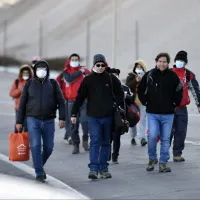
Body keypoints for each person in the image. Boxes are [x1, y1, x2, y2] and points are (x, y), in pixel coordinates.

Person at [71, 54, 124, 179]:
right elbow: (79, 97)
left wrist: (115, 104)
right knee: (95, 141)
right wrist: (74, 113)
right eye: (98, 65)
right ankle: (93, 169)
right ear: (94, 65)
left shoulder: (111, 79)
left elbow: (120, 94)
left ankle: (104, 169)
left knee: (106, 143)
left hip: (108, 117)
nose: (100, 67)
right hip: (93, 117)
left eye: (103, 65)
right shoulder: (88, 80)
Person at [16, 60, 65, 182]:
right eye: (39, 68)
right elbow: (22, 104)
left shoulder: (53, 84)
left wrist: (62, 118)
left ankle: (38, 164)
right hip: (33, 119)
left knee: (49, 147)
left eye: (44, 68)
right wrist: (19, 121)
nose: (41, 70)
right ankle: (39, 172)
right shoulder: (29, 84)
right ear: (35, 71)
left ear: (47, 71)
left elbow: (61, 102)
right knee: (35, 145)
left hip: (49, 120)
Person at [138, 53, 183, 173]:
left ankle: (163, 162)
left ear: (168, 63)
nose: (162, 64)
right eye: (160, 61)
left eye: (164, 62)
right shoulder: (150, 75)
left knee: (165, 138)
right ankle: (152, 158)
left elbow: (179, 89)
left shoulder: (173, 76)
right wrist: (145, 101)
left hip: (168, 114)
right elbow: (140, 89)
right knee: (152, 136)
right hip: (152, 113)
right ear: (156, 62)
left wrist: (175, 103)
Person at [170, 50, 200, 162]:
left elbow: (195, 90)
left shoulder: (188, 75)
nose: (180, 62)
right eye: (178, 60)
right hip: (169, 108)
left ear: (185, 62)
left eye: (182, 60)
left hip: (182, 109)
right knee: (167, 132)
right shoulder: (168, 72)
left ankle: (177, 154)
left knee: (181, 131)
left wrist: (199, 104)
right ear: (174, 61)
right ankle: (164, 153)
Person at [59, 53, 90, 154]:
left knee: (85, 122)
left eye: (76, 59)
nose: (75, 61)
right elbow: (69, 79)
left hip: (84, 101)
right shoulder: (66, 72)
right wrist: (79, 72)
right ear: (69, 60)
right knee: (73, 125)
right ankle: (76, 145)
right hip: (71, 102)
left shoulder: (85, 71)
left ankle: (85, 139)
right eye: (73, 59)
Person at [106, 67, 135, 164]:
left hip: (120, 115)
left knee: (116, 136)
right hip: (108, 114)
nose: (114, 77)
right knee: (108, 136)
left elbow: (131, 100)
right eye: (112, 75)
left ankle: (115, 156)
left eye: (116, 75)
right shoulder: (105, 87)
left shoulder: (125, 88)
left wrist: (126, 96)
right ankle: (107, 155)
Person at [126, 60, 148, 146]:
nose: (138, 68)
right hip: (133, 103)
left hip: (142, 102)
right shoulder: (131, 76)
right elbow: (127, 86)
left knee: (142, 120)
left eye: (140, 67)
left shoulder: (147, 77)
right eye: (137, 67)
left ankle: (142, 138)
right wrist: (135, 80)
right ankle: (133, 137)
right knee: (133, 120)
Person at [9, 64, 33, 133]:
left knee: (28, 127)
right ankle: (17, 142)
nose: (25, 74)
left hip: (30, 109)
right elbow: (12, 93)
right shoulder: (17, 82)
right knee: (18, 127)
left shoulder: (33, 81)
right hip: (19, 108)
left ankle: (26, 142)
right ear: (21, 73)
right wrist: (20, 90)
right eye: (24, 73)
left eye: (27, 73)